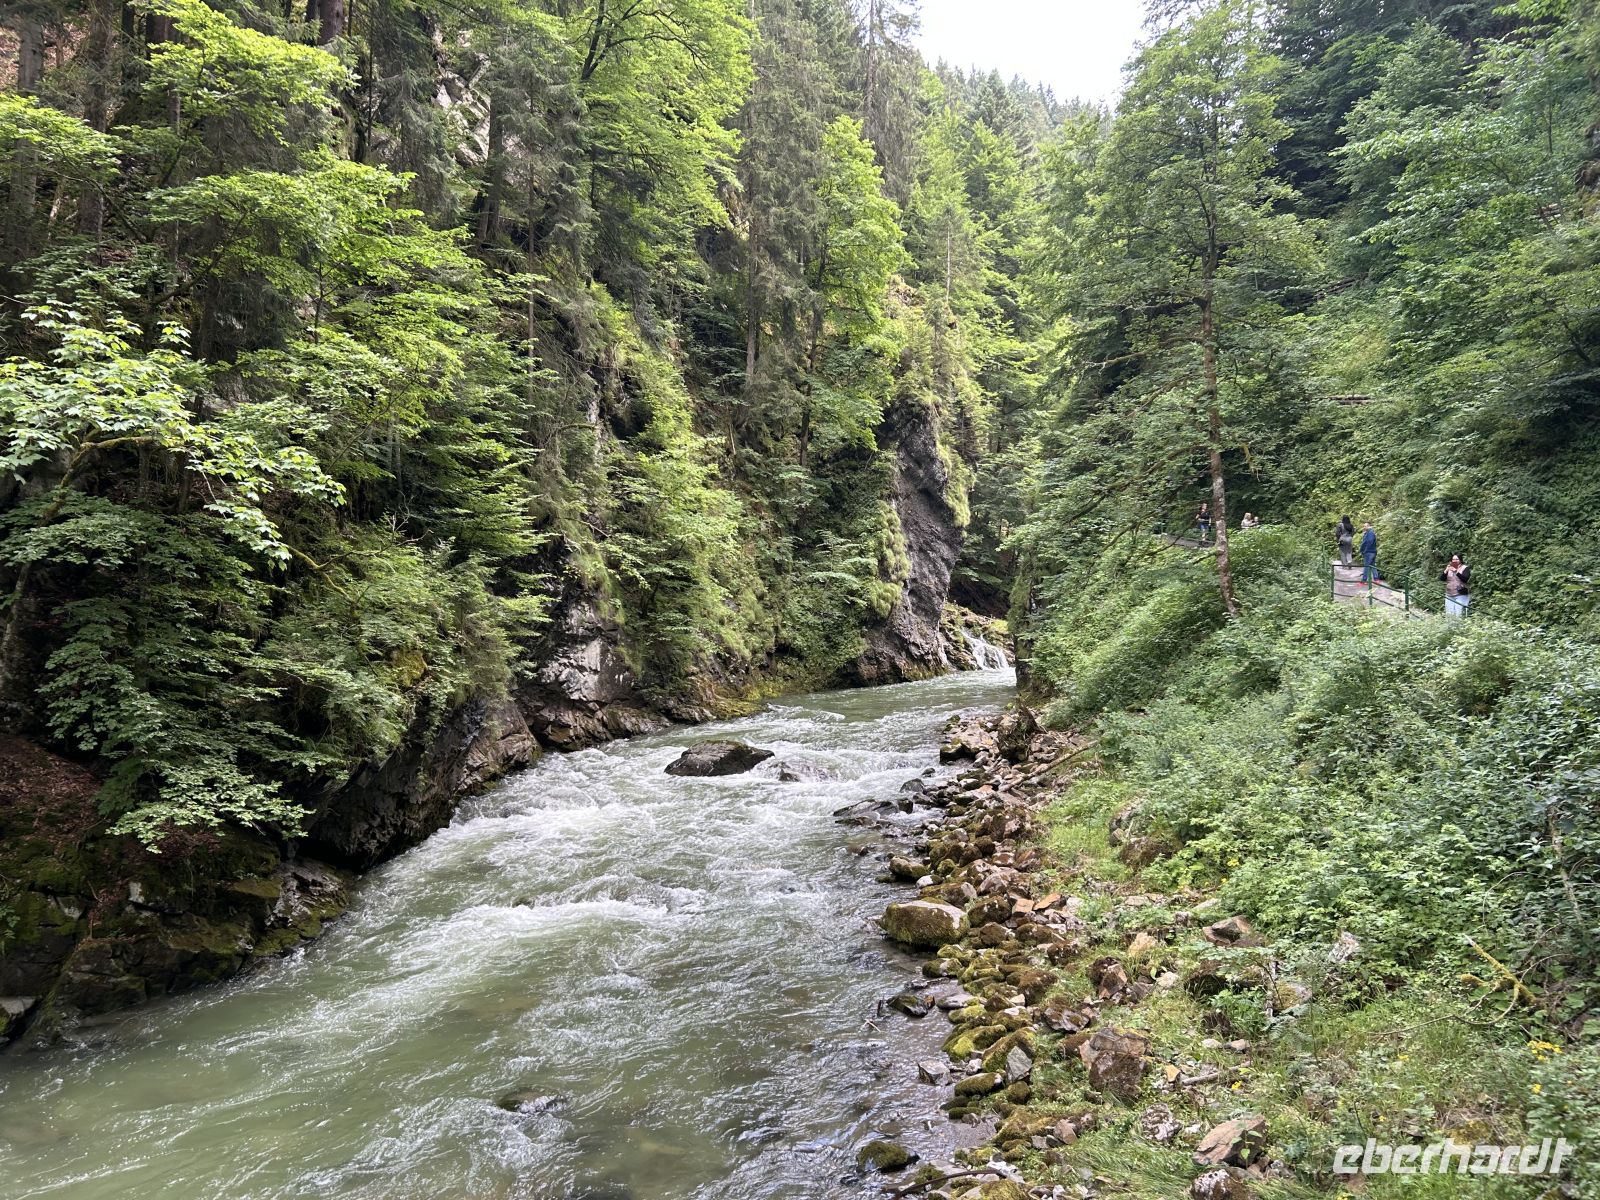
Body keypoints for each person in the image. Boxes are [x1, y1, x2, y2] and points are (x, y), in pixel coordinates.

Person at [1360, 522, 1378, 586]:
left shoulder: (1370, 533)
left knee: (1366, 566)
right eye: (1364, 526)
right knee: (1373, 565)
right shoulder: (1368, 533)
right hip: (1372, 552)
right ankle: (1376, 579)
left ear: (1369, 526)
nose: (1364, 527)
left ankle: (1363, 581)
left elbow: (1369, 542)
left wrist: (1365, 550)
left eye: (1365, 526)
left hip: (1369, 552)